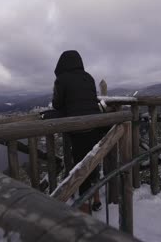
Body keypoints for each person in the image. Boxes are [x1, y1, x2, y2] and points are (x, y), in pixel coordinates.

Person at [52, 50, 103, 214]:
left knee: (81, 166)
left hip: (79, 129)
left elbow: (57, 104)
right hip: (96, 125)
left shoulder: (62, 79)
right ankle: (96, 198)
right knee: (93, 160)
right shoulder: (89, 77)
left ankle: (85, 207)